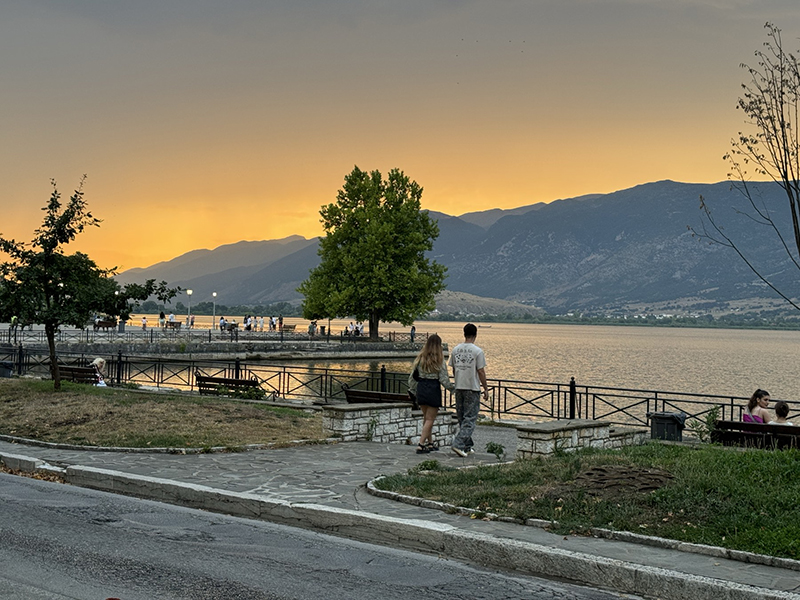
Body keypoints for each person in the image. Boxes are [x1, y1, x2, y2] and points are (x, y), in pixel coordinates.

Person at [408, 334, 454, 454]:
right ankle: (421, 444)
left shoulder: (420, 359)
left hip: (421, 388)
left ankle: (430, 443)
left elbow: (413, 376)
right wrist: (453, 389)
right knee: (430, 419)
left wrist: (412, 390)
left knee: (426, 418)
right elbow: (444, 380)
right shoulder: (439, 360)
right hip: (433, 389)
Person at [448, 323, 489, 456]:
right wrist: (486, 389)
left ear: (464, 333)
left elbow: (454, 368)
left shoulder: (455, 350)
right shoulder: (477, 351)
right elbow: (481, 371)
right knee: (470, 418)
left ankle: (467, 445)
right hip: (472, 388)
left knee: (462, 417)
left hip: (459, 386)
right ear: (475, 335)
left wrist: (458, 379)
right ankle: (458, 444)